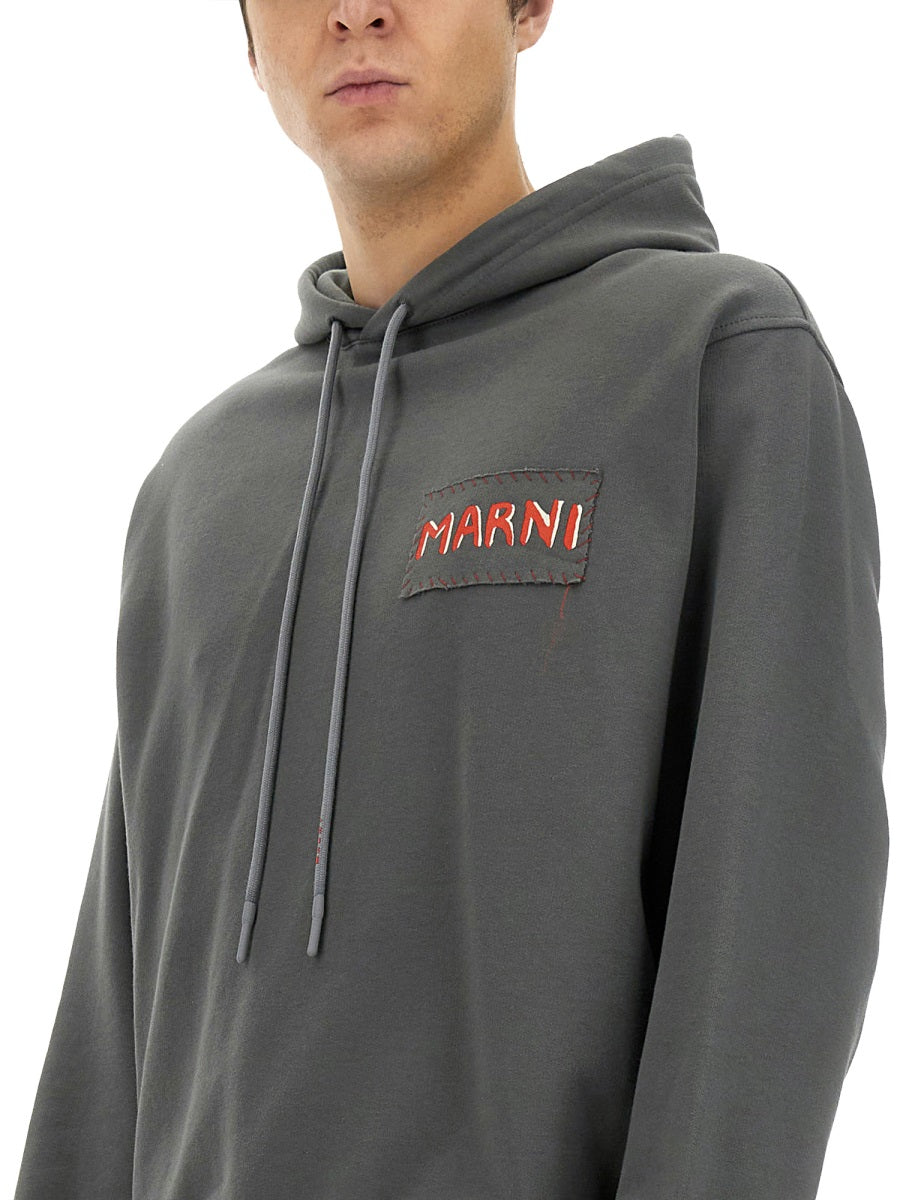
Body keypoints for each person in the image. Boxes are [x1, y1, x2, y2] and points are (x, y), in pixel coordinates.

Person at [13, 2, 890, 1198]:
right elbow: (111, 1018)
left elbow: (771, 926)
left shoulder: (712, 359)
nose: (356, 10)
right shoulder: (199, 486)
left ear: (528, 6)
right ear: (248, 42)